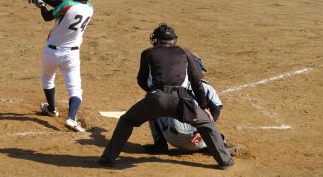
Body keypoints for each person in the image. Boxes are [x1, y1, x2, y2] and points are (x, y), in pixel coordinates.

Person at [98, 23, 234, 170]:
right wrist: (203, 106)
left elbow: (141, 80)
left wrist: (152, 95)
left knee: (127, 120)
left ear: (155, 40)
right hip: (182, 100)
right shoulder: (185, 52)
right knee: (207, 125)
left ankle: (109, 158)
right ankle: (225, 161)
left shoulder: (148, 53)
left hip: (156, 98)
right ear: (174, 40)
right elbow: (196, 82)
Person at [28, 0, 94, 132]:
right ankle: (71, 118)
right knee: (75, 88)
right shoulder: (90, 8)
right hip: (71, 55)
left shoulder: (67, 6)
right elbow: (65, 4)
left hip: (51, 52)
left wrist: (41, 5)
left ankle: (51, 108)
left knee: (47, 78)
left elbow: (47, 16)